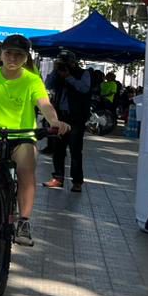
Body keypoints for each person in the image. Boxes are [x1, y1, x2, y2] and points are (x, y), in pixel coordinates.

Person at [0, 35, 69, 246]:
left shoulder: (32, 79)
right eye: (8, 53)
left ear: (26, 58)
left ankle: (23, 221)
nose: (12, 58)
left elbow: (44, 103)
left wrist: (54, 121)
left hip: (22, 136)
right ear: (1, 54)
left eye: (19, 54)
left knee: (25, 170)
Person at [44, 49, 92, 191]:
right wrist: (55, 70)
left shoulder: (84, 73)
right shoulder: (58, 72)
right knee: (58, 149)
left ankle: (77, 182)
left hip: (76, 117)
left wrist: (69, 77)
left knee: (75, 151)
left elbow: (84, 88)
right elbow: (48, 85)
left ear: (74, 61)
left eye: (67, 61)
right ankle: (58, 178)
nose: (65, 64)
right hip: (60, 116)